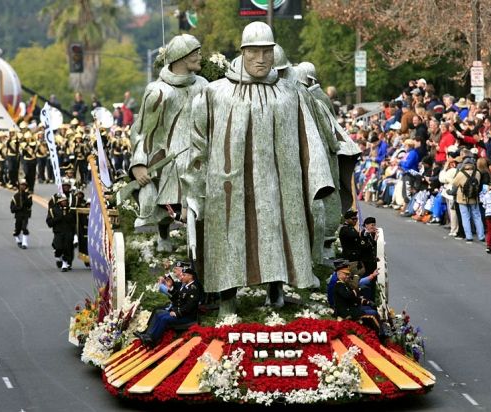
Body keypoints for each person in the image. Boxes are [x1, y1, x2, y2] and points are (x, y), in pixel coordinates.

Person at [184, 22, 335, 317]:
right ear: (243, 52)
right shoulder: (216, 94)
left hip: (278, 184)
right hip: (227, 185)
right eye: (255, 52)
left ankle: (276, 292)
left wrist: (316, 179)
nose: (261, 59)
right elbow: (197, 145)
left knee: (277, 232)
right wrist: (195, 188)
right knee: (228, 238)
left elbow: (310, 139)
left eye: (267, 52)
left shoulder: (290, 93)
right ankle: (227, 301)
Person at [130, 33, 208, 254]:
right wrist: (139, 163)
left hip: (199, 151)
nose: (201, 56)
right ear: (182, 57)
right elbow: (144, 129)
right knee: (166, 205)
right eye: (196, 52)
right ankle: (163, 233)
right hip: (170, 153)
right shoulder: (158, 91)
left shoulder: (203, 85)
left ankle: (200, 245)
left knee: (201, 199)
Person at [136, 267, 200, 348]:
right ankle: (148, 336)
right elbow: (177, 299)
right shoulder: (186, 286)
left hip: (187, 316)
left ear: (190, 276)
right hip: (181, 313)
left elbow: (189, 307)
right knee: (160, 315)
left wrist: (177, 313)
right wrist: (170, 288)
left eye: (184, 275)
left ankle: (153, 340)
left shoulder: (193, 288)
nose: (182, 277)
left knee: (164, 318)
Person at [332, 260, 378, 325]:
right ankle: (379, 333)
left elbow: (352, 297)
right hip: (346, 312)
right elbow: (348, 295)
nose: (348, 276)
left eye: (348, 274)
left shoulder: (344, 284)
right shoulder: (339, 285)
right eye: (346, 274)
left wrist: (365, 302)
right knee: (373, 313)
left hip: (350, 307)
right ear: (340, 274)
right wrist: (357, 289)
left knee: (369, 308)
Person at [452, 157, 485, 242]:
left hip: (462, 198)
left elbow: (454, 183)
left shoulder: (461, 173)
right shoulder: (477, 173)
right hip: (474, 198)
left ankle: (469, 236)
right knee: (477, 216)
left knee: (465, 217)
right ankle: (481, 236)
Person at [46, 193, 76, 272]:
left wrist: (67, 216)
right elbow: (49, 222)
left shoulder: (70, 210)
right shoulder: (53, 210)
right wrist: (58, 218)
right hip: (58, 232)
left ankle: (65, 264)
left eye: (65, 201)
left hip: (68, 232)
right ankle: (58, 255)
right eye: (62, 201)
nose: (64, 202)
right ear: (59, 202)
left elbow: (74, 222)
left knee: (67, 248)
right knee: (58, 247)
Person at [10, 179, 33, 249]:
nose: (23, 186)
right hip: (18, 215)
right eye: (21, 185)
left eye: (24, 185)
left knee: (24, 228)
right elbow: (12, 209)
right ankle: (17, 237)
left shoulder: (28, 195)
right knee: (18, 229)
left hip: (25, 214)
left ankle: (24, 243)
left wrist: (24, 198)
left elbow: (30, 204)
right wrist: (18, 208)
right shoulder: (15, 196)